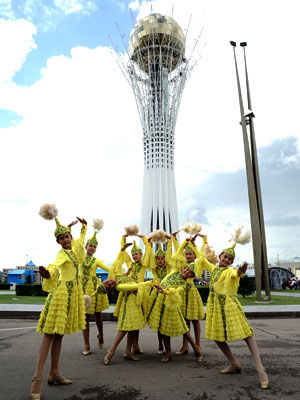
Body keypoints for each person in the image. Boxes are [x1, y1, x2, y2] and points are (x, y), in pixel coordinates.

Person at [195, 234, 269, 390]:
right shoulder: (213, 269)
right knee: (217, 336)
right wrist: (196, 242)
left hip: (229, 305)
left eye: (229, 259)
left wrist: (239, 272)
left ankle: (260, 369)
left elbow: (233, 274)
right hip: (215, 308)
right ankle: (234, 363)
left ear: (232, 262)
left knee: (247, 334)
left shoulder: (228, 272)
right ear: (220, 256)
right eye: (225, 257)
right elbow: (201, 257)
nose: (226, 260)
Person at [31, 206, 87, 400]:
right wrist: (47, 273)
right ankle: (37, 379)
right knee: (49, 335)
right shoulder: (63, 254)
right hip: (61, 296)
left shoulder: (74, 253)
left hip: (73, 296)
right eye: (61, 238)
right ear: (58, 241)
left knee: (59, 336)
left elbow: (80, 246)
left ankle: (54, 373)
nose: (65, 239)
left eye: (66, 236)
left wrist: (83, 228)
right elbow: (55, 266)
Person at [147, 266, 203, 363]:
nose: (186, 272)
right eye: (186, 269)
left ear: (191, 276)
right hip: (160, 304)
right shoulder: (174, 271)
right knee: (162, 328)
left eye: (189, 272)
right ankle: (168, 353)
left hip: (171, 307)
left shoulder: (183, 285)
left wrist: (163, 291)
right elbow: (176, 255)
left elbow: (176, 292)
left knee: (183, 329)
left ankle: (196, 348)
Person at [93, 274, 152, 365]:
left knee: (133, 328)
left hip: (135, 304)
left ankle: (128, 352)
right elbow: (135, 286)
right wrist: (148, 283)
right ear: (111, 289)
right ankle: (110, 353)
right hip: (129, 305)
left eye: (107, 282)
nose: (110, 282)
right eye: (109, 286)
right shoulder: (120, 286)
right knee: (124, 329)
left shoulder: (118, 277)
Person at [79, 220, 115, 356]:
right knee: (85, 317)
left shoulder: (97, 261)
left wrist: (120, 272)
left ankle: (101, 334)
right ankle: (87, 344)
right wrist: (84, 228)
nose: (92, 248)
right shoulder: (80, 258)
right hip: (83, 289)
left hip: (95, 289)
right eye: (90, 245)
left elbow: (110, 269)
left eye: (94, 246)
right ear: (85, 246)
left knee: (98, 315)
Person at [113, 233, 150, 355]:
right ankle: (131, 348)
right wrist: (123, 239)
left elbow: (149, 253)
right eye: (133, 254)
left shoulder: (144, 265)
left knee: (138, 321)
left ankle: (136, 346)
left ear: (141, 255)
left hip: (140, 294)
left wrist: (144, 240)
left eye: (137, 254)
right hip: (130, 294)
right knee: (133, 321)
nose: (134, 256)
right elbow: (123, 255)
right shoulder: (130, 265)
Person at [171, 234, 206, 356]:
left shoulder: (197, 265)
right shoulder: (182, 265)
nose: (188, 256)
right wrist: (180, 242)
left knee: (195, 320)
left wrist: (195, 244)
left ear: (194, 255)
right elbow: (176, 255)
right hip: (183, 293)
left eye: (190, 254)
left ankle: (198, 345)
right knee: (185, 321)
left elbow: (201, 255)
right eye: (186, 254)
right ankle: (185, 346)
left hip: (192, 294)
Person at [147, 229, 179, 354]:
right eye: (158, 258)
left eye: (162, 258)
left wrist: (169, 239)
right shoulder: (153, 269)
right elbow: (149, 255)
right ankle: (160, 344)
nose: (160, 260)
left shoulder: (168, 267)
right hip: (156, 296)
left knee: (167, 321)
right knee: (158, 322)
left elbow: (170, 254)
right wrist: (148, 242)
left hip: (167, 294)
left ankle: (169, 348)